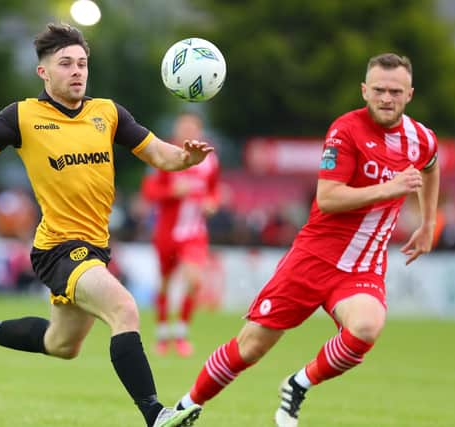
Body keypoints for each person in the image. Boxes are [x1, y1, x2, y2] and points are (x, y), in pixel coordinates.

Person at [0, 23, 210, 427]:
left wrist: (187, 159)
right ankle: (155, 414)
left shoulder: (107, 113)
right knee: (124, 309)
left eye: (83, 64)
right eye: (66, 63)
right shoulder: (23, 116)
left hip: (95, 247)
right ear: (43, 72)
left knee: (62, 344)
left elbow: (162, 155)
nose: (77, 71)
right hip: (57, 248)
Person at [174, 52, 440, 426]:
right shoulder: (346, 131)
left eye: (395, 91)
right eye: (379, 90)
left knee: (366, 327)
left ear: (409, 94)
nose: (386, 98)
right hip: (313, 258)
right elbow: (328, 198)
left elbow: (431, 165)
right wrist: (389, 188)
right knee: (251, 347)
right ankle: (187, 406)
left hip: (362, 266)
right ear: (365, 90)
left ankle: (299, 384)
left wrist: (427, 223)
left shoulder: (421, 138)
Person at [141, 112, 220, 357]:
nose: (187, 130)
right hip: (166, 232)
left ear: (199, 130)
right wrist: (172, 191)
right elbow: (149, 191)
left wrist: (212, 202)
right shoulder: (165, 153)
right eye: (183, 125)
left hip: (194, 233)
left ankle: (182, 333)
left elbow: (214, 191)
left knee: (194, 280)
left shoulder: (209, 159)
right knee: (165, 284)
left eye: (192, 126)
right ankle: (163, 334)